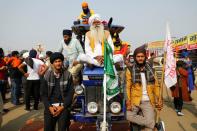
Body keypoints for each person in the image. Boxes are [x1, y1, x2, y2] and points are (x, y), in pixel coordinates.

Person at [126, 47, 163, 131]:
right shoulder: (130, 70)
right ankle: (151, 123)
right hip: (134, 101)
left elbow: (156, 86)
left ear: (145, 57)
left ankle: (150, 124)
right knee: (126, 115)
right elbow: (127, 87)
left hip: (148, 101)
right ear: (135, 57)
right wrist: (128, 101)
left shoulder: (152, 70)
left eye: (142, 56)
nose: (140, 58)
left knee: (149, 128)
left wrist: (159, 99)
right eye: (138, 56)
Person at [42, 52, 74, 131]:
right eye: (55, 62)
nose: (58, 63)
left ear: (62, 62)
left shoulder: (68, 75)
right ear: (52, 64)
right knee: (48, 128)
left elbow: (70, 94)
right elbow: (43, 95)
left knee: (62, 128)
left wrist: (62, 107)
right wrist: (50, 107)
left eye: (59, 61)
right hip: (50, 106)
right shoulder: (46, 76)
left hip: (63, 106)